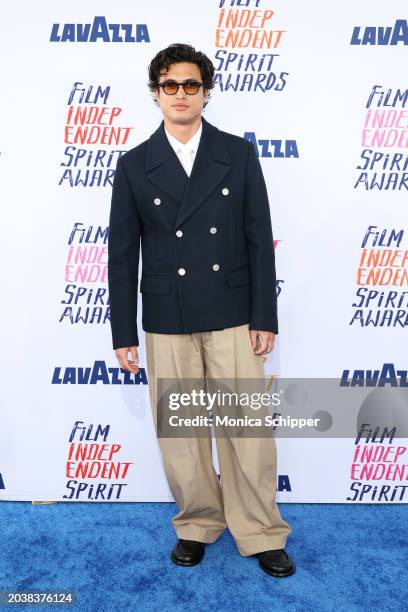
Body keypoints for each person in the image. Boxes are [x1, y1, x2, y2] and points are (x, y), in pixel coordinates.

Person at [108, 43, 296, 577]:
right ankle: (196, 522)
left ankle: (260, 529)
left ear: (206, 93)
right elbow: (121, 253)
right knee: (182, 435)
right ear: (156, 94)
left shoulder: (238, 153)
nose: (181, 94)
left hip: (234, 310)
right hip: (168, 316)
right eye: (170, 85)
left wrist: (265, 316)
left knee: (247, 432)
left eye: (191, 85)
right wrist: (123, 329)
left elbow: (259, 238)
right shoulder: (134, 164)